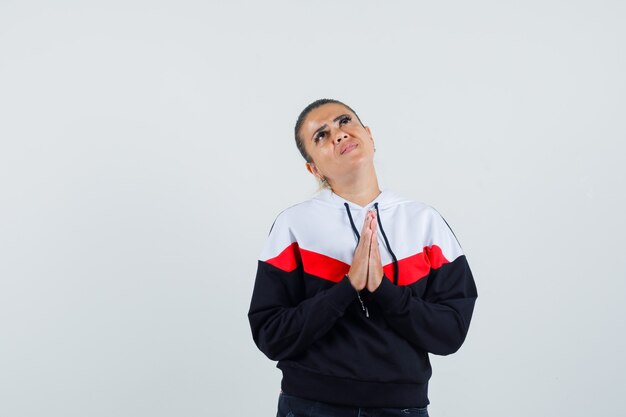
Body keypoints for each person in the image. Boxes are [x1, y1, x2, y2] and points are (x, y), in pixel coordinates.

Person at [248, 99, 478, 417]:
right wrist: (346, 288)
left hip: (401, 408)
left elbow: (449, 332)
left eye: (345, 121)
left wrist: (383, 289)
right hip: (311, 406)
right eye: (321, 135)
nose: (339, 134)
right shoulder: (294, 226)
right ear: (313, 168)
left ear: (369, 135)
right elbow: (270, 334)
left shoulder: (425, 222)